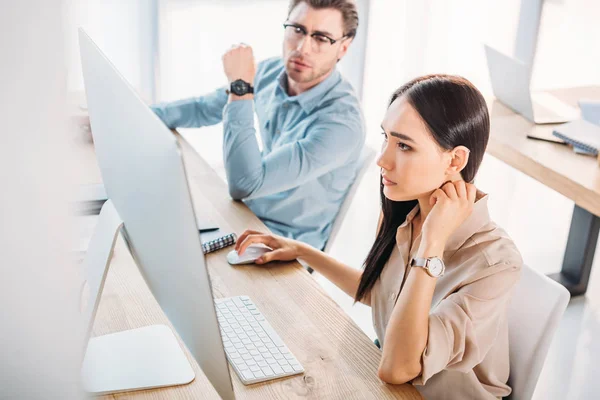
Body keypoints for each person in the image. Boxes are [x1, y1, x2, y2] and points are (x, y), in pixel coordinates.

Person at [234, 74, 523, 399]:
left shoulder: (495, 263)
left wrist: (432, 244)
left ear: (454, 160)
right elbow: (382, 292)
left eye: (403, 145)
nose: (382, 160)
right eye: (386, 138)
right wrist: (303, 252)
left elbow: (399, 368)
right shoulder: (406, 214)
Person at [151, 0, 365, 251]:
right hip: (241, 216)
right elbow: (203, 108)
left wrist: (241, 88)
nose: (302, 47)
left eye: (321, 38)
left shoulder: (342, 124)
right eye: (297, 29)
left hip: (283, 247)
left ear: (343, 48)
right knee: (151, 226)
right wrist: (133, 115)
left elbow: (245, 184)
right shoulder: (270, 71)